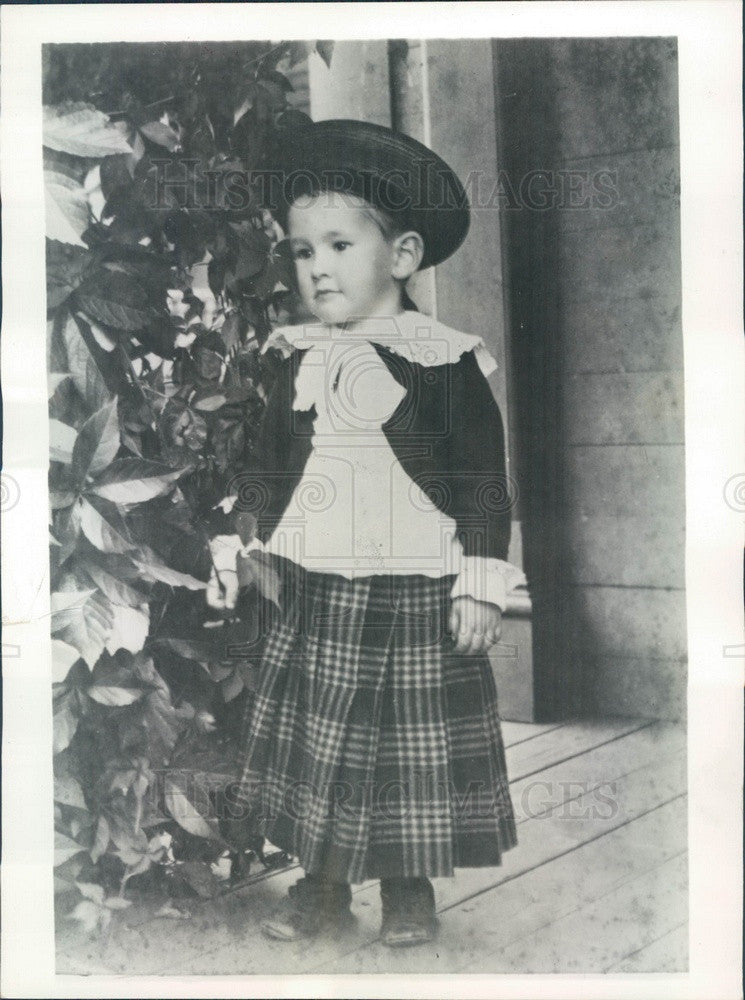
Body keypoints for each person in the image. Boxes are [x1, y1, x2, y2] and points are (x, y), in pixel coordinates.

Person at [206, 119, 523, 948]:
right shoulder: (294, 356)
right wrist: (244, 541)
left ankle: (409, 891)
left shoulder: (441, 359)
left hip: (416, 583)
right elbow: (266, 468)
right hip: (313, 582)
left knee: (399, 747)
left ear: (405, 255)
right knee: (321, 739)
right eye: (302, 251)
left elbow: (483, 481)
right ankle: (318, 885)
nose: (316, 267)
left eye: (339, 245)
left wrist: (483, 581)